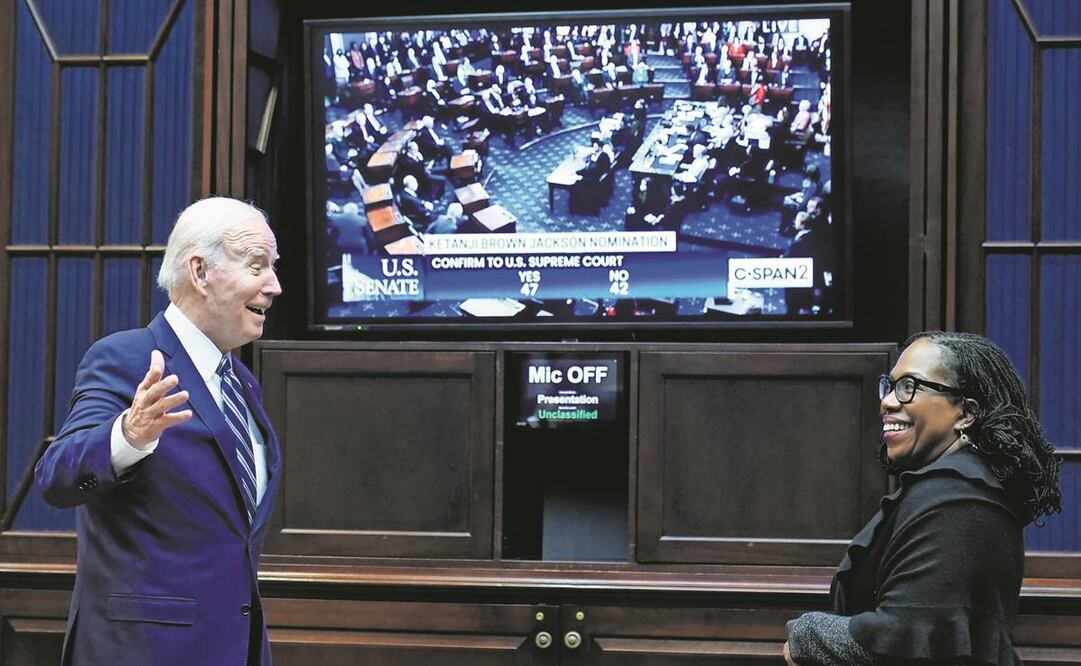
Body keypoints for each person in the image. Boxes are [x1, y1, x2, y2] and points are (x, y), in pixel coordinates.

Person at [35, 197, 284, 666]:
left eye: (273, 267)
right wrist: (127, 434)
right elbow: (55, 477)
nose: (274, 285)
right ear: (200, 272)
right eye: (257, 266)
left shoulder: (243, 385)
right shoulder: (127, 358)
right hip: (144, 651)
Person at [784, 332, 1062, 665]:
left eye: (909, 386)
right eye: (890, 386)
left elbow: (900, 638)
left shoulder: (960, 503)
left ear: (965, 413)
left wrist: (804, 636)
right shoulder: (955, 489)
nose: (887, 401)